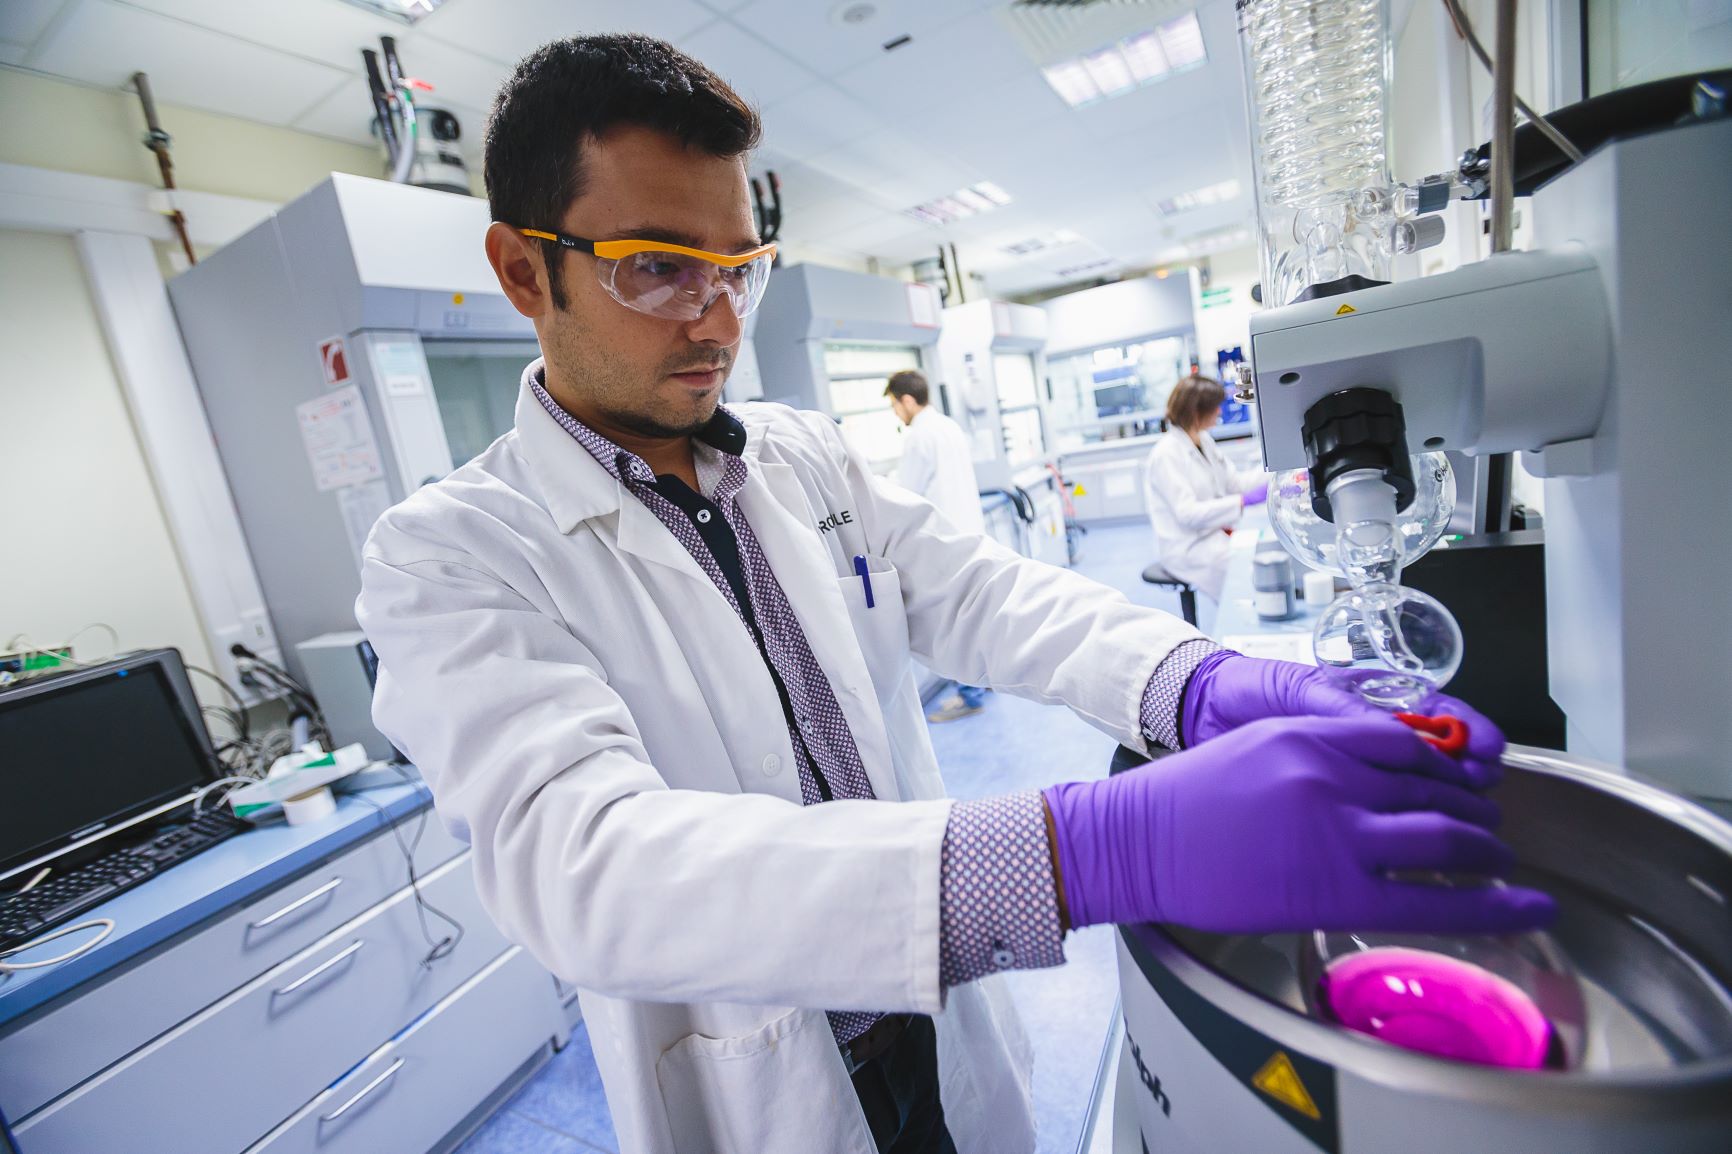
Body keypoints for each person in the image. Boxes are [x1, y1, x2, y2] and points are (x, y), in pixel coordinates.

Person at [356, 34, 1552, 1154]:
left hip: (935, 1009)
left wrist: (1197, 682)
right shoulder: (449, 554)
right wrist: (1085, 849)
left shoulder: (796, 455)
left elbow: (982, 593)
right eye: (660, 270)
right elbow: (590, 866)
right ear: (523, 271)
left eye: (738, 270)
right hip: (760, 1082)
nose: (717, 320)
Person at [885, 369, 989, 723]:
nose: (896, 413)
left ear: (907, 400)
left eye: (895, 405)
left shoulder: (919, 435)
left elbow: (906, 491)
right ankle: (983, 681)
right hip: (969, 532)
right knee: (974, 618)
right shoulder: (948, 426)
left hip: (944, 542)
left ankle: (970, 696)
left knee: (954, 626)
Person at [1144, 373, 1270, 602]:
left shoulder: (1204, 441)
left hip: (1213, 535)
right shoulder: (1166, 454)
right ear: (1196, 411)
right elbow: (1188, 514)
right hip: (1188, 547)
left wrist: (1272, 472)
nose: (1220, 412)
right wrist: (1242, 502)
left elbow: (1234, 484)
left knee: (1258, 555)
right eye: (1214, 407)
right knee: (1245, 579)